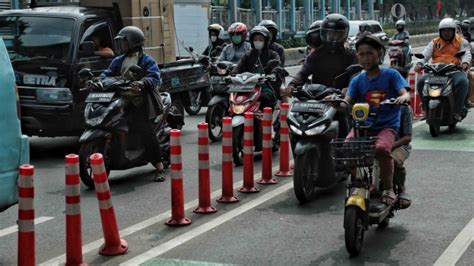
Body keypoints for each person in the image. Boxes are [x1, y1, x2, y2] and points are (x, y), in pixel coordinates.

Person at [329, 34, 410, 205]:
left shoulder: (391, 75)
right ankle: (357, 183)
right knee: (347, 148)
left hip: (386, 126)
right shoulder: (357, 80)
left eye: (369, 53)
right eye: (361, 54)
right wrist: (337, 104)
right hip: (361, 126)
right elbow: (347, 102)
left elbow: (404, 91)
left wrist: (403, 97)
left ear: (380, 53)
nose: (365, 57)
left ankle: (388, 188)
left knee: (381, 149)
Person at [100, 26, 166, 182]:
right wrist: (98, 81)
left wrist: (143, 82)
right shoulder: (119, 60)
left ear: (133, 42)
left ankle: (159, 166)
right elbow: (107, 73)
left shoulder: (146, 59)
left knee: (145, 130)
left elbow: (155, 76)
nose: (121, 46)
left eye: (123, 42)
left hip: (140, 102)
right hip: (122, 99)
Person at [284, 13, 357, 138]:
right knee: (297, 119)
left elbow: (355, 75)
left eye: (337, 34)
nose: (332, 37)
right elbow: (303, 71)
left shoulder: (351, 55)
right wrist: (292, 84)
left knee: (344, 121)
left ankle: (343, 150)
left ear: (344, 35)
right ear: (323, 33)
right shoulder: (316, 54)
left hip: (339, 99)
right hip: (317, 99)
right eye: (329, 33)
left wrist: (348, 90)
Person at [414, 18, 471, 122]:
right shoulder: (435, 42)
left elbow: (466, 53)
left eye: (449, 30)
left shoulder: (461, 41)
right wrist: (419, 63)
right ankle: (426, 109)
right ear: (440, 31)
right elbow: (425, 54)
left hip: (454, 71)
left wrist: (465, 63)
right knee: (421, 82)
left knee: (463, 82)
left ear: (454, 30)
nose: (446, 33)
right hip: (435, 71)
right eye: (444, 31)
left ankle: (457, 111)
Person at [230, 25, 281, 110]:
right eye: (255, 40)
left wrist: (272, 75)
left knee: (265, 97)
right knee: (233, 98)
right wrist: (231, 74)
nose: (258, 41)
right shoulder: (248, 55)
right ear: (252, 41)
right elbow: (239, 66)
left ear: (266, 41)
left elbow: (277, 68)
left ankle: (266, 120)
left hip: (265, 85)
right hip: (246, 86)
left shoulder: (273, 54)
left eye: (260, 40)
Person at [392, 104, 413, 209]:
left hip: (398, 145)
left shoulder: (404, 108)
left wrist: (389, 146)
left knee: (393, 160)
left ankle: (401, 189)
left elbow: (407, 137)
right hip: (375, 143)